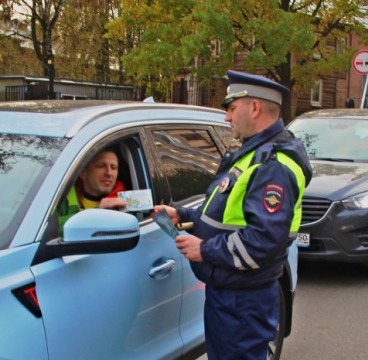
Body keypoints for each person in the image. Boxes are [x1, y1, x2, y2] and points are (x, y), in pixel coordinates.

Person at [152, 70, 312, 360]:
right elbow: (226, 211)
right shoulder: (254, 156)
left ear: (254, 107)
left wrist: (205, 249)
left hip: (243, 301)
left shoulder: (272, 166)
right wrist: (183, 214)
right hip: (231, 295)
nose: (226, 117)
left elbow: (263, 241)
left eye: (231, 108)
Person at [58, 147, 128, 232]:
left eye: (113, 167)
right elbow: (47, 231)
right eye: (101, 166)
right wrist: (97, 213)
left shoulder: (124, 203)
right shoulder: (62, 197)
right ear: (83, 173)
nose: (109, 173)